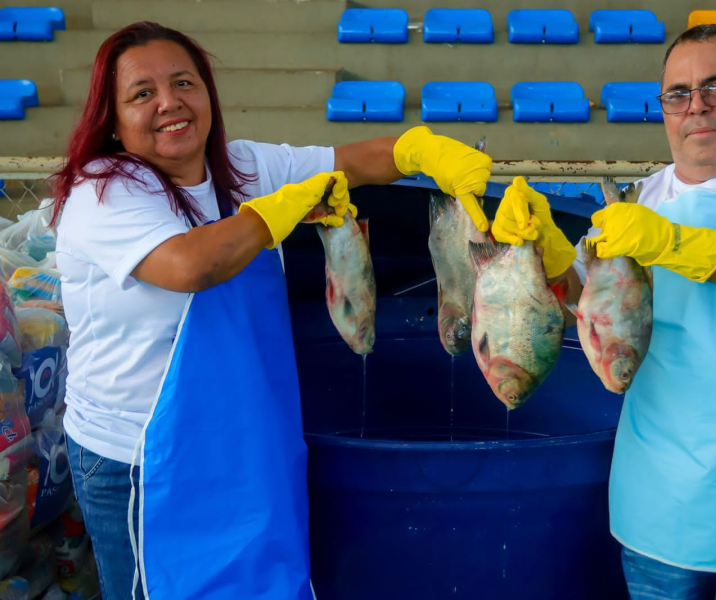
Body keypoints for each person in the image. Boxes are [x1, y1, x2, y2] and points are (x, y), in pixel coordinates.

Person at [49, 21, 492, 600]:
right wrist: (271, 214)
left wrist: (420, 151)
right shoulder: (103, 192)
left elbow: (355, 162)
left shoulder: (242, 168)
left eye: (183, 83)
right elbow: (190, 265)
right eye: (142, 93)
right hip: (139, 460)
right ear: (111, 119)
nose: (169, 103)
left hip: (244, 443)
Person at [491, 25, 716, 600]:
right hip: (665, 484)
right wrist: (544, 249)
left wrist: (671, 242)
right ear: (664, 111)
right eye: (678, 93)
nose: (696, 105)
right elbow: (582, 298)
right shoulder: (640, 201)